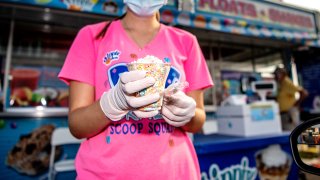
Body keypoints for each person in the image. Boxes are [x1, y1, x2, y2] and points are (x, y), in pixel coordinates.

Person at [58, 0, 213, 179]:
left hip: (175, 172)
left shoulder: (187, 42)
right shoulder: (92, 36)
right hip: (104, 174)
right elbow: (77, 126)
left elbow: (198, 120)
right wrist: (112, 103)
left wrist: (187, 113)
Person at [274, 66, 308, 131]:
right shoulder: (281, 84)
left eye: (277, 74)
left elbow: (304, 93)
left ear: (283, 74)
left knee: (292, 131)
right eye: (275, 74)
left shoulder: (287, 82)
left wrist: (295, 105)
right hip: (284, 114)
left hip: (290, 113)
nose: (275, 76)